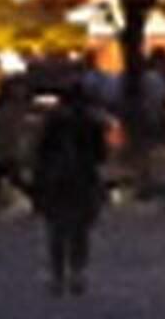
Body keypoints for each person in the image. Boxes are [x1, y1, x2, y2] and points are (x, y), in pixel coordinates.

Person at [31, 83, 108, 296]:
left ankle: (58, 274)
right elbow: (100, 155)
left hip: (57, 180)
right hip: (83, 179)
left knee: (57, 229)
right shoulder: (92, 123)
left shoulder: (53, 123)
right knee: (79, 229)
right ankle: (77, 271)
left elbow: (42, 152)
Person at [0, 73, 34, 216]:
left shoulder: (20, 106)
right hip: (3, 143)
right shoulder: (6, 105)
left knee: (6, 175)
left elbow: (16, 127)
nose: (19, 90)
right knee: (5, 175)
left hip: (11, 144)